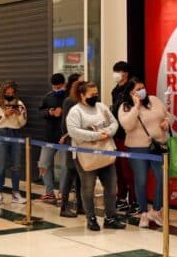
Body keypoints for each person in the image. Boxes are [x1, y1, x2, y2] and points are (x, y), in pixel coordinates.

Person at [66, 81, 126, 231]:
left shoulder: (101, 107)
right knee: (88, 188)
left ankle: (110, 217)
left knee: (112, 187)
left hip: (106, 153)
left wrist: (109, 132)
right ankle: (91, 218)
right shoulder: (75, 111)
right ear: (82, 95)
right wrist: (96, 135)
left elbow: (114, 122)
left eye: (96, 93)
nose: (95, 96)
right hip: (86, 156)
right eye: (92, 94)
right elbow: (74, 131)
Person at [118, 78, 170, 228]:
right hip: (137, 148)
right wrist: (136, 106)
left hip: (158, 146)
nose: (141, 91)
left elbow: (167, 114)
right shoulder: (125, 107)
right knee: (141, 180)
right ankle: (143, 213)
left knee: (161, 178)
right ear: (130, 93)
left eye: (142, 87)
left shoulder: (154, 100)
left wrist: (167, 122)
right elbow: (127, 125)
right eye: (137, 89)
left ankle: (156, 210)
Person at [0, 81, 27, 206]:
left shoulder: (20, 104)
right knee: (1, 166)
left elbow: (23, 122)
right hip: (1, 135)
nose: (10, 95)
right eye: (7, 93)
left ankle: (16, 193)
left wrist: (18, 115)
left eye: (12, 93)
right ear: (2, 93)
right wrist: (5, 115)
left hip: (16, 134)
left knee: (16, 166)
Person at [110, 61, 137, 213]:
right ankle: (121, 197)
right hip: (116, 132)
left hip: (128, 133)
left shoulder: (131, 87)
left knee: (129, 169)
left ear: (125, 73)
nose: (116, 75)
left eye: (118, 71)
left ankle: (134, 199)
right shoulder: (115, 91)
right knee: (118, 168)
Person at [37, 73, 67, 204]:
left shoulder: (70, 98)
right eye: (54, 87)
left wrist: (63, 113)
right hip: (49, 136)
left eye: (59, 86)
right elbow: (40, 112)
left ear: (64, 84)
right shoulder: (47, 97)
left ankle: (62, 193)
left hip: (65, 137)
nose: (56, 89)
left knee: (66, 166)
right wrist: (50, 112)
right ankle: (49, 193)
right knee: (43, 164)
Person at [59, 73, 84, 217]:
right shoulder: (69, 101)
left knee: (81, 175)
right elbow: (65, 124)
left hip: (84, 144)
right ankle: (64, 206)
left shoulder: (86, 103)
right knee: (70, 173)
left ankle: (81, 205)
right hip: (72, 142)